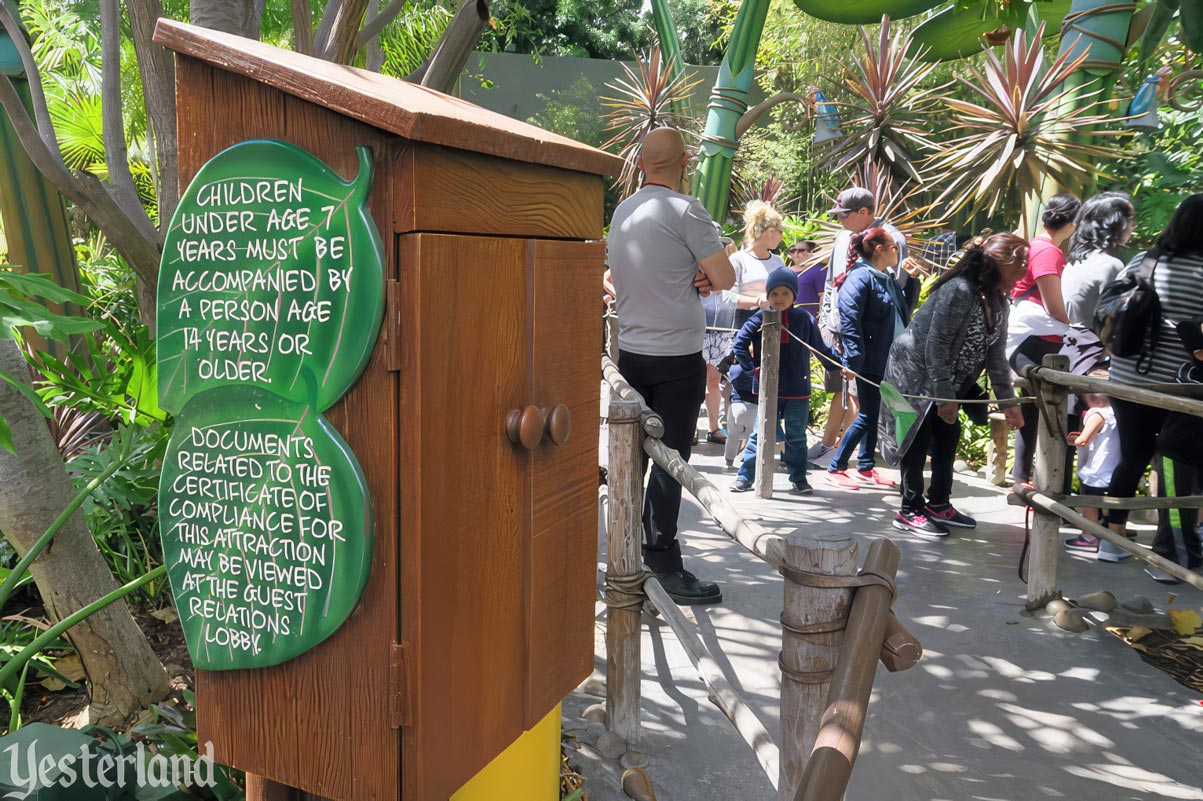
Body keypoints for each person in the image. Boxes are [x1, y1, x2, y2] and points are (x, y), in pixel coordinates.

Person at [606, 127, 736, 604]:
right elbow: (724, 276)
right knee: (670, 465)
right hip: (678, 359)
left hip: (631, 353)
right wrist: (702, 273)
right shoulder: (686, 210)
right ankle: (661, 562)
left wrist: (693, 272)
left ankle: (622, 556)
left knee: (631, 459)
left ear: (640, 163)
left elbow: (621, 272)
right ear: (686, 161)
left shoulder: (623, 211)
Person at [878, 234, 1027, 536]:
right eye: (1020, 265)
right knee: (916, 439)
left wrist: (1009, 403)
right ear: (1000, 264)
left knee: (948, 435)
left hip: (947, 382)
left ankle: (939, 503)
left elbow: (996, 356)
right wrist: (945, 397)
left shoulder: (998, 302)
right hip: (915, 375)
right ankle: (909, 509)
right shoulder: (959, 290)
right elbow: (937, 345)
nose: (1024, 271)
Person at [1103, 194, 1203, 584]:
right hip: (1182, 388)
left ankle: (1110, 539)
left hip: (1127, 379)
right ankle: (1178, 544)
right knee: (1181, 466)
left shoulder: (1144, 261)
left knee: (1132, 458)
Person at [813, 188, 906, 466]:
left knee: (868, 407)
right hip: (851, 340)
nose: (840, 220)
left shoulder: (890, 238)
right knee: (859, 404)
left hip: (878, 344)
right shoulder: (847, 245)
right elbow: (834, 285)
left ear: (864, 212)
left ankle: (863, 463)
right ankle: (839, 462)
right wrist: (827, 322)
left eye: (845, 214)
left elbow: (896, 293)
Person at [729, 267, 840, 494]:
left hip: (798, 389)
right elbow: (739, 344)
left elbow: (820, 348)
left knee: (796, 437)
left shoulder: (804, 319)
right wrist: (753, 372)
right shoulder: (760, 317)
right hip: (768, 389)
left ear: (794, 296)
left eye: (785, 294)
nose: (779, 299)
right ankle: (745, 477)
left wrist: (838, 367)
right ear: (768, 295)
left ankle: (798, 478)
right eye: (774, 294)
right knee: (759, 434)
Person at [1006, 192, 1081, 485]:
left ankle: (1021, 480)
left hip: (1028, 339)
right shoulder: (1048, 251)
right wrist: (1075, 328)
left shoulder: (1036, 245)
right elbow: (1054, 306)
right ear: (1073, 223)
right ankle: (1044, 484)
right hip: (1036, 340)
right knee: (1051, 412)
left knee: (1031, 411)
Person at [826, 227, 906, 490]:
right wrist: (854, 361)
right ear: (879, 249)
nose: (898, 251)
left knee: (875, 413)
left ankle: (865, 466)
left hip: (887, 358)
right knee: (867, 414)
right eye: (894, 247)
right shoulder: (860, 278)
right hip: (868, 359)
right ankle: (836, 466)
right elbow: (850, 320)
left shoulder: (884, 277)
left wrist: (911, 280)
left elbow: (902, 313)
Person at [1063, 371, 1128, 561]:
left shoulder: (1096, 414)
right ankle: (1110, 531)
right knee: (1111, 502)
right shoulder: (1117, 412)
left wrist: (1070, 439)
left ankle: (1088, 535)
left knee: (1088, 501)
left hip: (1097, 468)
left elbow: (1084, 440)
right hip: (1115, 465)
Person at [1061, 192, 1136, 328]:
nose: (1134, 226)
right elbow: (1116, 320)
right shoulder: (1109, 265)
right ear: (1117, 224)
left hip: (1072, 343)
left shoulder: (1075, 261)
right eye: (1131, 220)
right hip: (1096, 345)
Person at [701, 238, 740, 445]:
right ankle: (690, 428)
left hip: (722, 333)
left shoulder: (732, 270)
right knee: (696, 380)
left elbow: (733, 297)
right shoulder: (697, 269)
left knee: (714, 380)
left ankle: (714, 427)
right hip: (698, 331)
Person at [788, 240, 826, 320]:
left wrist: (822, 320)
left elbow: (824, 297)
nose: (796, 254)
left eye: (801, 250)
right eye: (793, 250)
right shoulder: (787, 271)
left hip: (811, 322)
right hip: (790, 320)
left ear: (811, 252)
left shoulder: (820, 270)